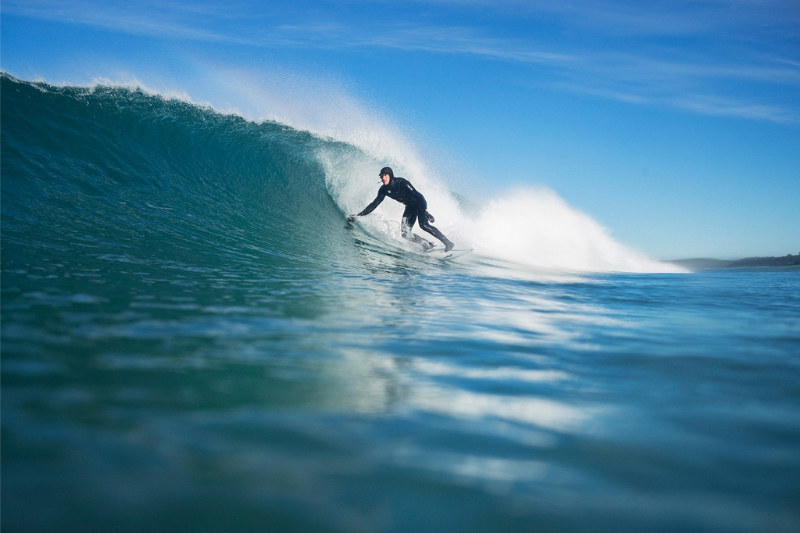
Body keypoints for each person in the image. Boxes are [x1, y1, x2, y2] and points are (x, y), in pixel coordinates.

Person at [348, 167, 454, 252]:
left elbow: (418, 196)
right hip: (409, 207)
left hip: (419, 203)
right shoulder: (383, 190)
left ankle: (448, 243)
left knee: (424, 225)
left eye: (385, 175)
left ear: (390, 175)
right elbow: (374, 204)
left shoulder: (402, 182)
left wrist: (426, 212)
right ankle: (427, 245)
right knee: (405, 234)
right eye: (381, 176)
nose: (383, 178)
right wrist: (359, 215)